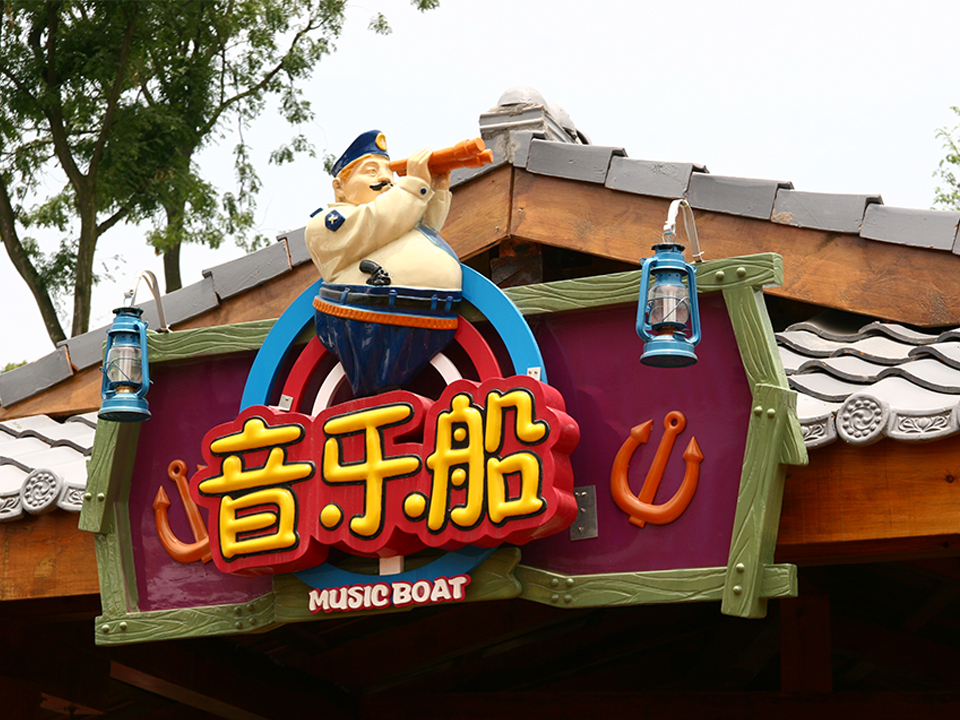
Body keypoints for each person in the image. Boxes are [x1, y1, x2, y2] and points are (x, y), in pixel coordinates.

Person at [304, 130, 462, 397]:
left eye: (389, 171)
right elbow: (378, 220)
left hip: (428, 316)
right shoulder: (328, 222)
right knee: (380, 396)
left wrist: (435, 187)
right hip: (368, 319)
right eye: (371, 171)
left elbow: (422, 229)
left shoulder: (395, 214)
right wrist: (414, 183)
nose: (386, 178)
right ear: (339, 187)